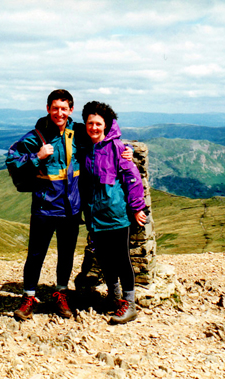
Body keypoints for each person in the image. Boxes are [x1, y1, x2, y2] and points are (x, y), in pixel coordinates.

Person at [6, 90, 133, 321]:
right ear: (48, 109)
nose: (59, 113)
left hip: (71, 208)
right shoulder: (37, 136)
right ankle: (28, 297)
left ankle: (61, 293)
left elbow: (104, 137)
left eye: (64, 108)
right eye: (55, 108)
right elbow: (12, 159)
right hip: (44, 207)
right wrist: (38, 156)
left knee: (66, 254)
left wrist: (126, 150)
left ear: (71, 110)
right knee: (36, 254)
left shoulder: (79, 132)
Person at [79, 101, 147, 324]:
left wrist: (137, 208)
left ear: (106, 125)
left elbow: (132, 178)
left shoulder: (118, 148)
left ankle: (129, 304)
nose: (94, 127)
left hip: (116, 216)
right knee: (105, 260)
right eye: (90, 123)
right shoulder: (85, 148)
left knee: (121, 259)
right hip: (94, 217)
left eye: (99, 123)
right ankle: (115, 298)